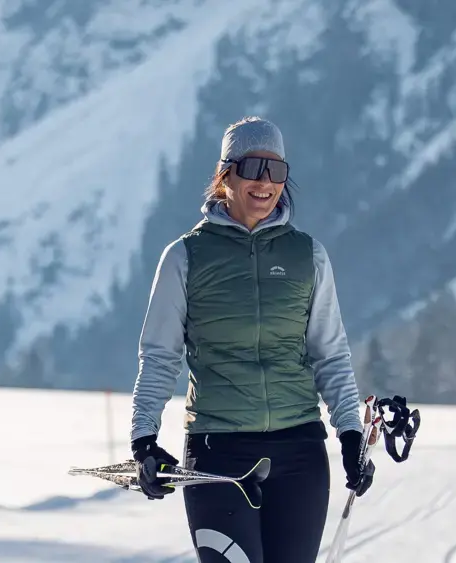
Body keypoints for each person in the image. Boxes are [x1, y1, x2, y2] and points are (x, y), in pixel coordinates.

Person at [128, 116, 373, 562]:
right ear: (226, 175)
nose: (265, 183)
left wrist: (351, 433)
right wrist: (144, 439)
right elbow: (160, 355)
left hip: (299, 453)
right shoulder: (186, 256)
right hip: (218, 453)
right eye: (253, 168)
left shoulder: (308, 255)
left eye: (276, 171)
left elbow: (330, 353)